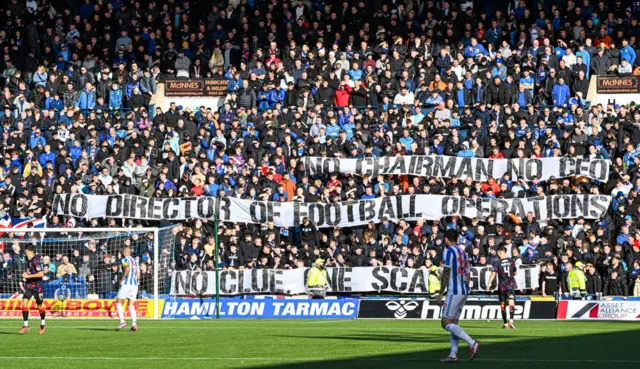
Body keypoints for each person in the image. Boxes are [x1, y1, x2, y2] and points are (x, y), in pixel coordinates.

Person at [436, 229, 481, 363]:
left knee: (445, 323)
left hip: (454, 291)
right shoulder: (464, 253)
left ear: (446, 239)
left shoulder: (448, 251)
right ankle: (453, 354)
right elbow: (468, 275)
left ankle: (472, 342)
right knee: (454, 323)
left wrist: (440, 293)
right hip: (464, 291)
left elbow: (446, 273)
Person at [19, 245, 46, 335]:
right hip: (29, 286)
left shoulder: (35, 260)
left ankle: (43, 324)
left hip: (38, 286)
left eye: (25, 250)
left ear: (28, 251)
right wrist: (24, 277)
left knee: (39, 306)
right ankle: (26, 325)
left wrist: (28, 276)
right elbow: (30, 272)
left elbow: (41, 274)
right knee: (24, 302)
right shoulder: (28, 260)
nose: (24, 252)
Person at [487, 247, 517, 329]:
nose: (498, 254)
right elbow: (515, 272)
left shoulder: (497, 262)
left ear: (501, 252)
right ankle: (511, 321)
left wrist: (489, 283)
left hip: (502, 286)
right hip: (510, 285)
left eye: (498, 252)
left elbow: (493, 274)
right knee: (511, 302)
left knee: (502, 305)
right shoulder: (511, 261)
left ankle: (505, 324)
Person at [115, 246, 140, 332]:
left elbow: (127, 268)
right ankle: (134, 323)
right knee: (131, 305)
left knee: (118, 302)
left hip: (127, 284)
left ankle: (122, 321)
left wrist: (122, 279)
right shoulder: (136, 262)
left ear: (125, 253)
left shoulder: (125, 260)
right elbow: (138, 275)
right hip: (135, 285)